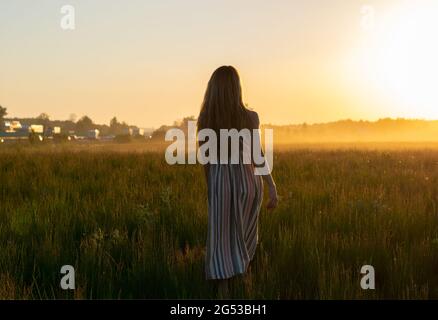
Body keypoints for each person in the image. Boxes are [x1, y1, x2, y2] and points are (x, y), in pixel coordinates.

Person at [197, 66, 278, 298]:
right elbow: (257, 155)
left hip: (220, 181)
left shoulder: (206, 119)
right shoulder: (250, 117)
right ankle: (243, 282)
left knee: (221, 237)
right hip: (247, 182)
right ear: (237, 88)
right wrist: (271, 186)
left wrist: (211, 189)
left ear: (212, 90)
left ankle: (223, 289)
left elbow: (207, 161)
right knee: (245, 235)